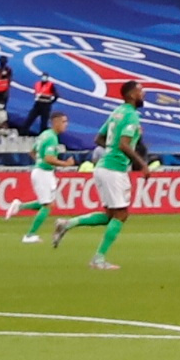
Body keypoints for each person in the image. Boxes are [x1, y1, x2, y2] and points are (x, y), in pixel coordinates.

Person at [61, 88, 148, 271]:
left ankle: (67, 224)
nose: (143, 94)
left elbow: (99, 138)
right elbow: (124, 144)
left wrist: (112, 147)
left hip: (103, 166)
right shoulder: (131, 115)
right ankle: (98, 259)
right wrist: (142, 164)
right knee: (121, 215)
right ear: (131, 95)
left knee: (110, 215)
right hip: (114, 169)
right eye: (140, 91)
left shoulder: (117, 112)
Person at [18, 118, 71, 241]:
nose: (66, 124)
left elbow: (32, 151)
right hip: (43, 173)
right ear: (55, 122)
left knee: (47, 203)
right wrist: (65, 164)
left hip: (42, 171)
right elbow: (48, 158)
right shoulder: (52, 137)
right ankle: (29, 235)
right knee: (48, 205)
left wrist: (39, 162)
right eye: (63, 122)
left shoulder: (44, 134)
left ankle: (20, 206)